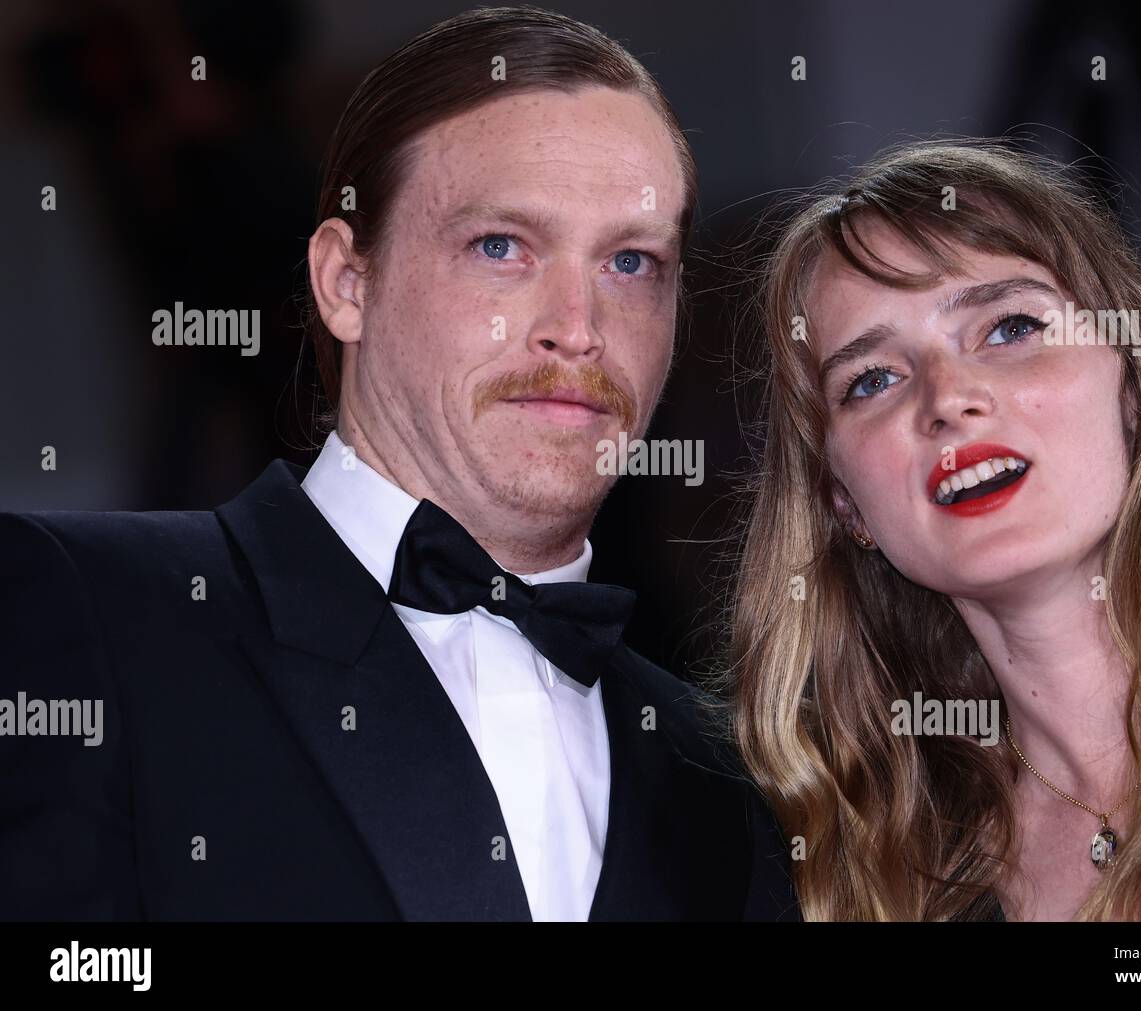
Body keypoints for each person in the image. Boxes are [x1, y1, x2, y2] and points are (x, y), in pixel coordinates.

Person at [0, 7, 797, 922]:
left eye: (630, 262)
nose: (578, 327)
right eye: (501, 246)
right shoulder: (86, 611)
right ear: (347, 282)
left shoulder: (732, 779)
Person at [724, 139, 1141, 920]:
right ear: (846, 505)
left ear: (1133, 388)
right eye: (873, 379)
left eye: (1009, 328)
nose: (948, 397)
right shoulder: (848, 864)